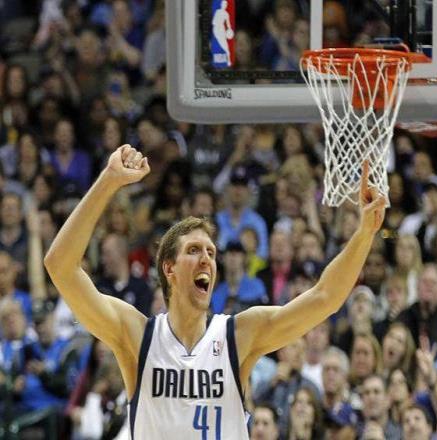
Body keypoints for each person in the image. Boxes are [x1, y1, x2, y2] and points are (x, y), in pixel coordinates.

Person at [44, 145, 386, 438]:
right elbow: (60, 266)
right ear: (169, 269)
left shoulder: (239, 335)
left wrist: (365, 234)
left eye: (211, 252)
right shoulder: (137, 335)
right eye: (194, 250)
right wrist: (108, 181)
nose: (207, 258)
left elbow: (325, 298)